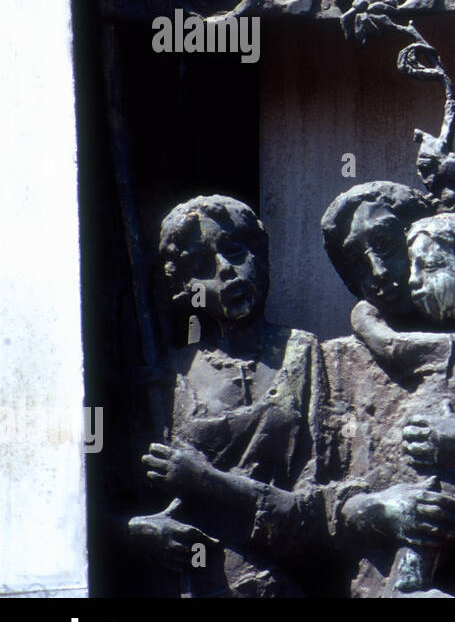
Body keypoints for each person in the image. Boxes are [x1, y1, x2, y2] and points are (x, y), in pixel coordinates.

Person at [319, 184, 455, 596]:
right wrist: (375, 510)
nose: (378, 272)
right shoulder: (336, 362)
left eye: (387, 245)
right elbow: (306, 503)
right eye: (356, 262)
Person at [128, 195, 330, 597]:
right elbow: (113, 501)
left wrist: (204, 479)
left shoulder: (303, 353)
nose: (226, 272)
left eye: (235, 252)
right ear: (186, 289)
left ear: (261, 255)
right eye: (202, 267)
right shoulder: (167, 377)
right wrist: (139, 529)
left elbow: (313, 511)